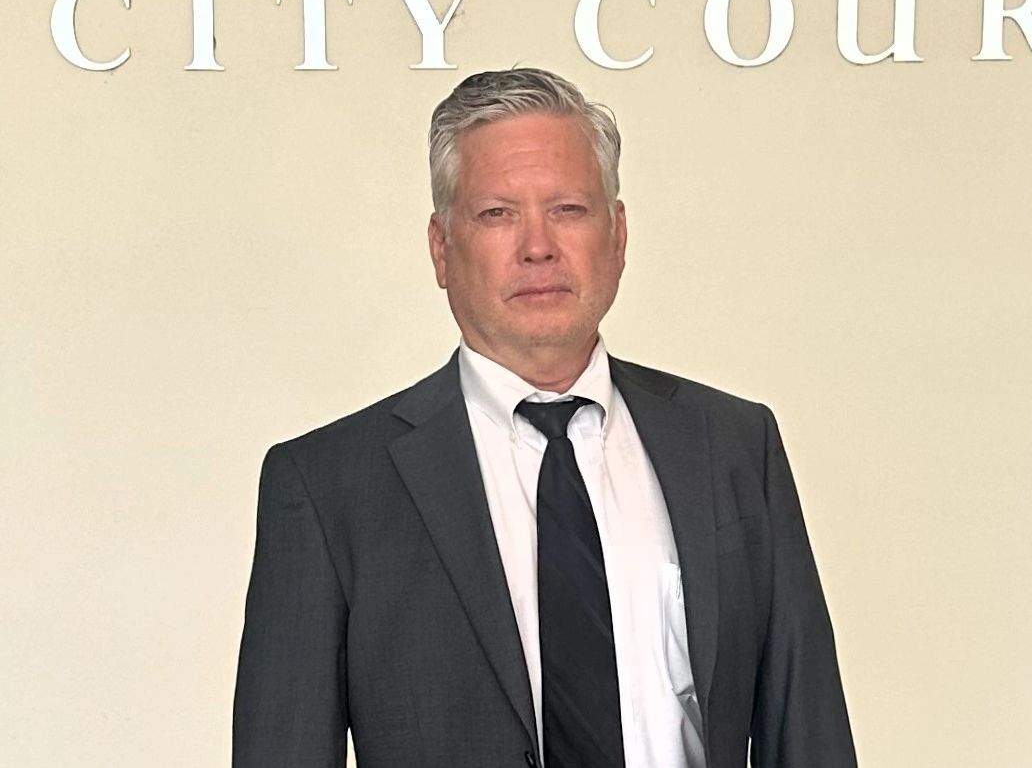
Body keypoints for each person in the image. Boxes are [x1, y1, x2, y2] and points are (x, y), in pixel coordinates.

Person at [232, 68, 857, 768]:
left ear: (617, 235)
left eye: (567, 209)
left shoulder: (734, 446)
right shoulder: (328, 485)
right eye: (497, 213)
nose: (537, 246)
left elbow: (808, 736)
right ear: (441, 248)